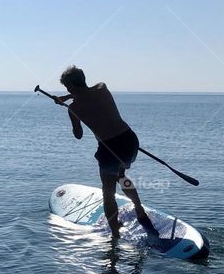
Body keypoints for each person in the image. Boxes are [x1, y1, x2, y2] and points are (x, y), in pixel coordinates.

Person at [52, 66, 157, 238]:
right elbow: (86, 93)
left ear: (71, 85)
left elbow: (78, 135)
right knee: (121, 176)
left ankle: (115, 234)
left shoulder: (74, 109)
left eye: (67, 87)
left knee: (108, 192)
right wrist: (69, 98)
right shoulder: (102, 88)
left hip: (109, 148)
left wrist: (69, 108)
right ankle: (139, 209)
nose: (67, 90)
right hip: (128, 140)